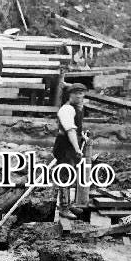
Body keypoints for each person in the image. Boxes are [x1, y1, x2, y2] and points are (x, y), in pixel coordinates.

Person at [53, 83, 88, 220]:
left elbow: (77, 129)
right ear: (70, 95)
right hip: (65, 146)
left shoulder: (78, 107)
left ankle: (68, 203)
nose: (79, 96)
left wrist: (82, 136)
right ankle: (63, 207)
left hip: (72, 145)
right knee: (65, 176)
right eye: (76, 93)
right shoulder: (66, 109)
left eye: (81, 93)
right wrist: (77, 148)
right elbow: (70, 130)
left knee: (71, 174)